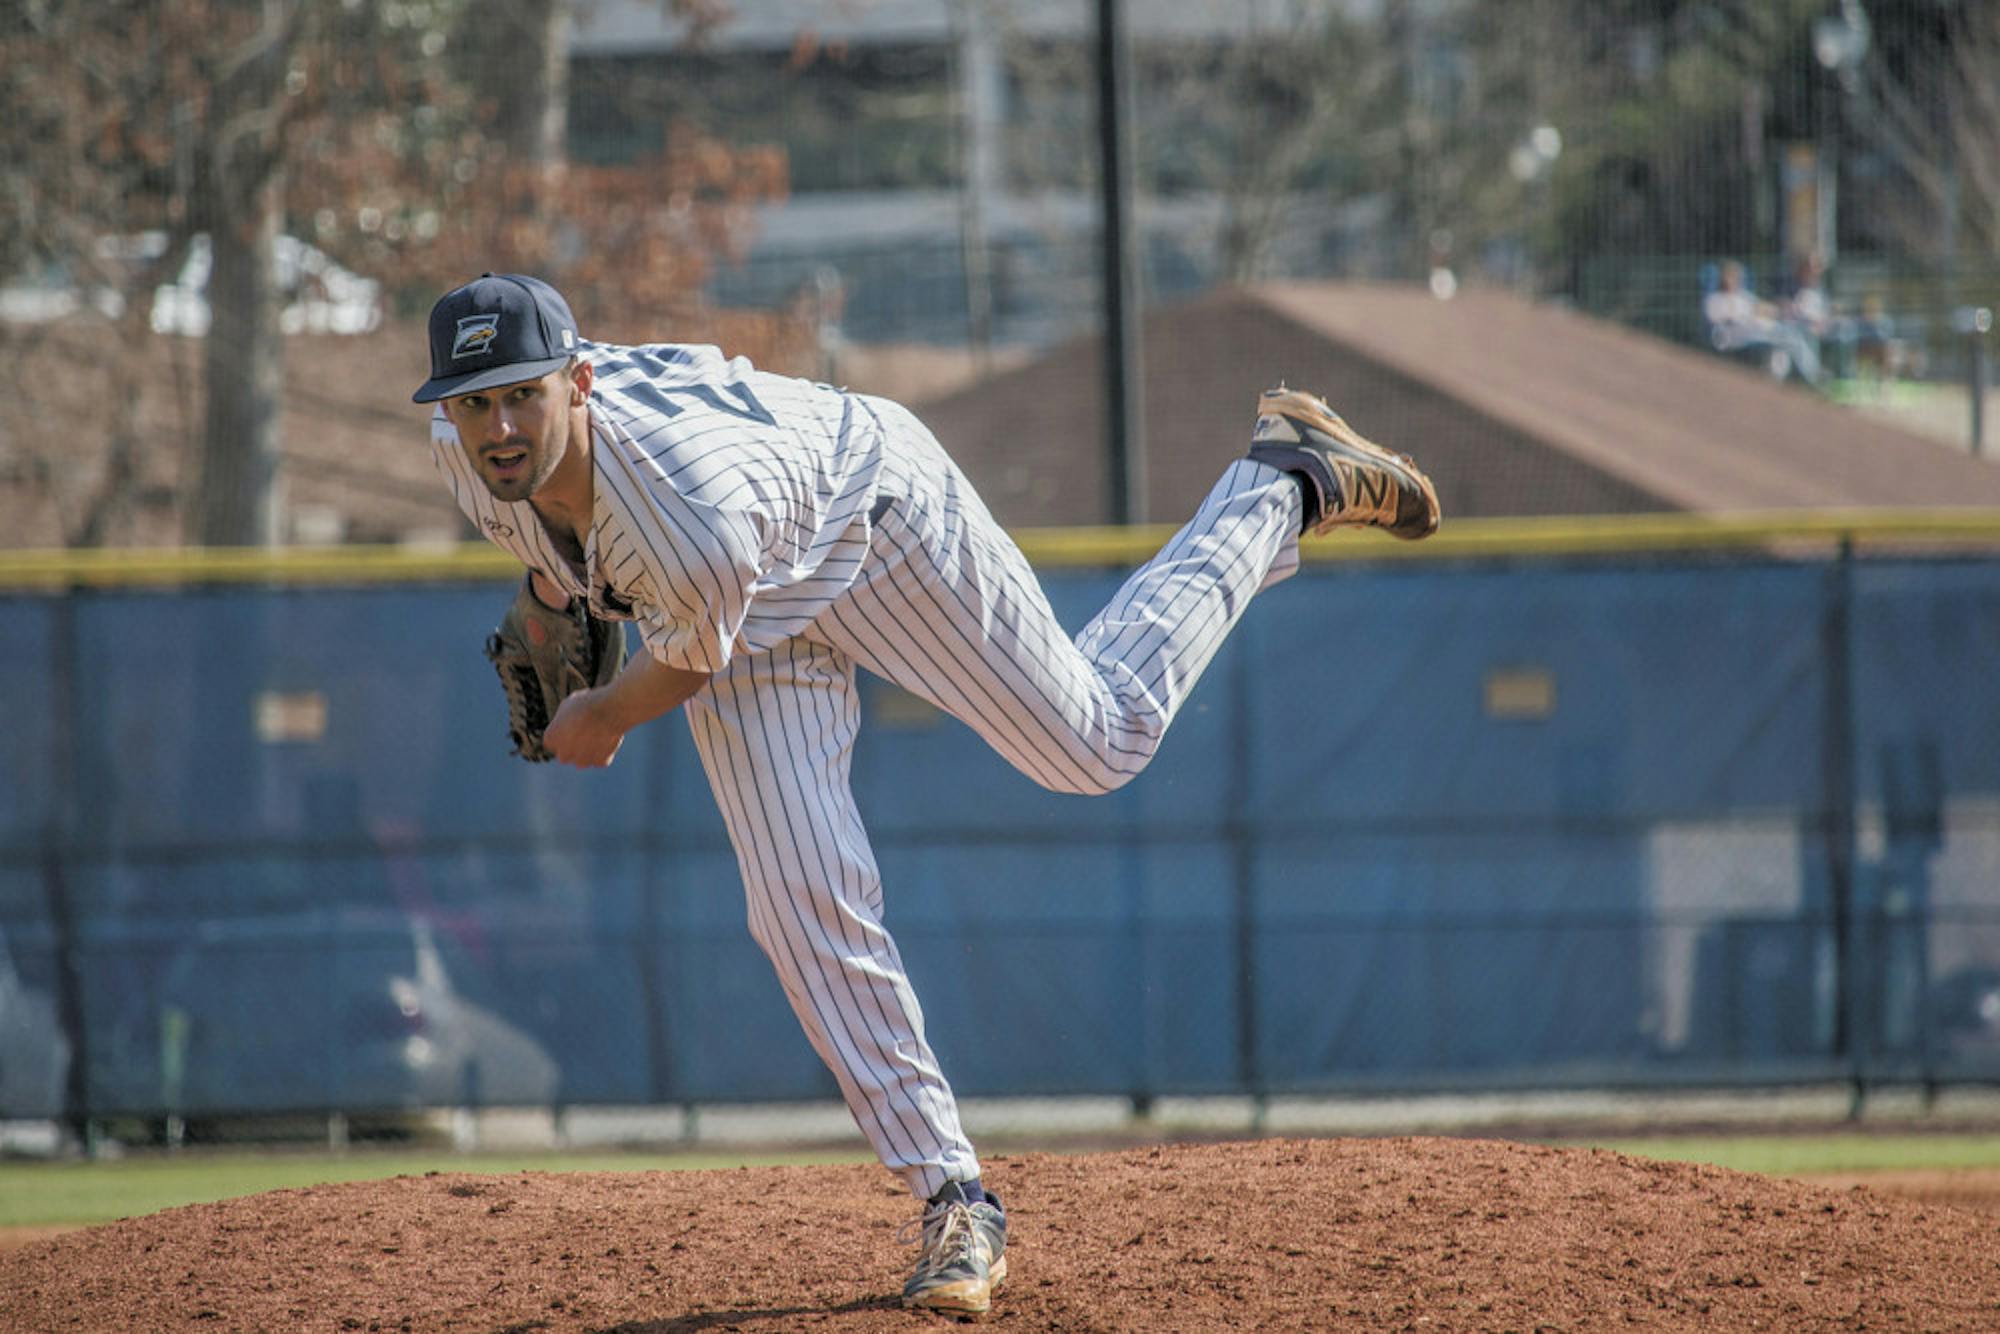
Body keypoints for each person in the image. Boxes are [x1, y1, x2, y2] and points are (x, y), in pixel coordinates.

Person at [412, 272, 1441, 1314]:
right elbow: (556, 559)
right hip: (749, 600)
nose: (497, 423)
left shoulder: (685, 512)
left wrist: (599, 714)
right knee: (797, 899)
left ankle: (1280, 480)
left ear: (577, 381)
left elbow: (674, 662)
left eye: (522, 394)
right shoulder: (467, 458)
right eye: (473, 398)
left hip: (872, 519)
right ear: (445, 406)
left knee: (1098, 739)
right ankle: (955, 1196)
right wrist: (550, 603)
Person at [1702, 258, 1822, 386]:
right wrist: (1747, 314)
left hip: (1754, 331)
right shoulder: (1715, 298)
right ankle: (1815, 376)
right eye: (1730, 276)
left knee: (1788, 339)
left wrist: (1774, 310)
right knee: (1786, 337)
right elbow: (1720, 319)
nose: (1733, 280)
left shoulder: (1743, 296)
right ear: (1723, 278)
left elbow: (1762, 307)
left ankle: (1781, 379)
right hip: (1730, 334)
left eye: (1736, 277)